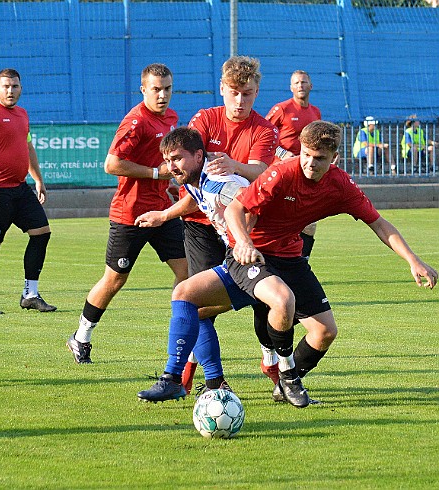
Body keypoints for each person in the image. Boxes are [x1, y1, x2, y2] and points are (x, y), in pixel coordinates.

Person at [138, 120, 437, 408]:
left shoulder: (340, 186)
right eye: (305, 155)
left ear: (334, 158)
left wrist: (413, 260)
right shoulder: (282, 172)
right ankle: (191, 377)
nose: (309, 163)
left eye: (319, 158)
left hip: (291, 260)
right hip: (253, 256)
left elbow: (379, 224)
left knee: (324, 332)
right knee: (253, 299)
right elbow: (236, 210)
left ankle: (283, 385)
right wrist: (243, 242)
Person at [136, 56, 277, 391]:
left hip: (246, 228)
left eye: (248, 94)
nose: (240, 101)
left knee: (267, 303)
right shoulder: (205, 119)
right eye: (234, 93)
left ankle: (276, 365)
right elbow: (190, 172)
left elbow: (263, 175)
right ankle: (204, 380)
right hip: (201, 226)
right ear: (222, 89)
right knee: (196, 304)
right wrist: (166, 214)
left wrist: (235, 165)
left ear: (256, 92)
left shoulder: (263, 129)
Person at [66, 63, 187, 364]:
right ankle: (81, 336)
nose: (163, 95)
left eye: (168, 89)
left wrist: (169, 186)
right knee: (115, 279)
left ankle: (181, 336)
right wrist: (155, 174)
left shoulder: (171, 118)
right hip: (130, 214)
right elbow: (111, 164)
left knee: (187, 272)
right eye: (156, 89)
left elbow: (163, 166)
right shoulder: (135, 121)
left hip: (162, 211)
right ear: (144, 89)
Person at [136, 127, 248, 402]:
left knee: (186, 296)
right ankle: (212, 383)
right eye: (167, 160)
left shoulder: (222, 184)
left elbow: (247, 200)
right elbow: (194, 199)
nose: (171, 166)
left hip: (259, 262)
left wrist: (249, 243)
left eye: (177, 158)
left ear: (199, 156)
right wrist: (163, 215)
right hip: (245, 260)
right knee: (193, 304)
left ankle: (177, 379)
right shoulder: (197, 181)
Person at [0, 68, 56, 315]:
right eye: (5, 86)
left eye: (15, 86)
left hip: (20, 188)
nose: (10, 90)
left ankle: (30, 294)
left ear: (20, 88)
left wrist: (38, 178)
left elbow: (28, 147)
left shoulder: (22, 114)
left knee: (41, 233)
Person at [266, 69, 322, 259]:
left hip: (305, 173)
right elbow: (263, 136)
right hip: (282, 173)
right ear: (291, 87)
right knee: (284, 220)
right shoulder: (281, 109)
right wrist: (283, 153)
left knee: (310, 222)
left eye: (304, 82)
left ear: (311, 86)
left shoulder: (315, 112)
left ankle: (301, 261)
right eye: (296, 83)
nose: (300, 86)